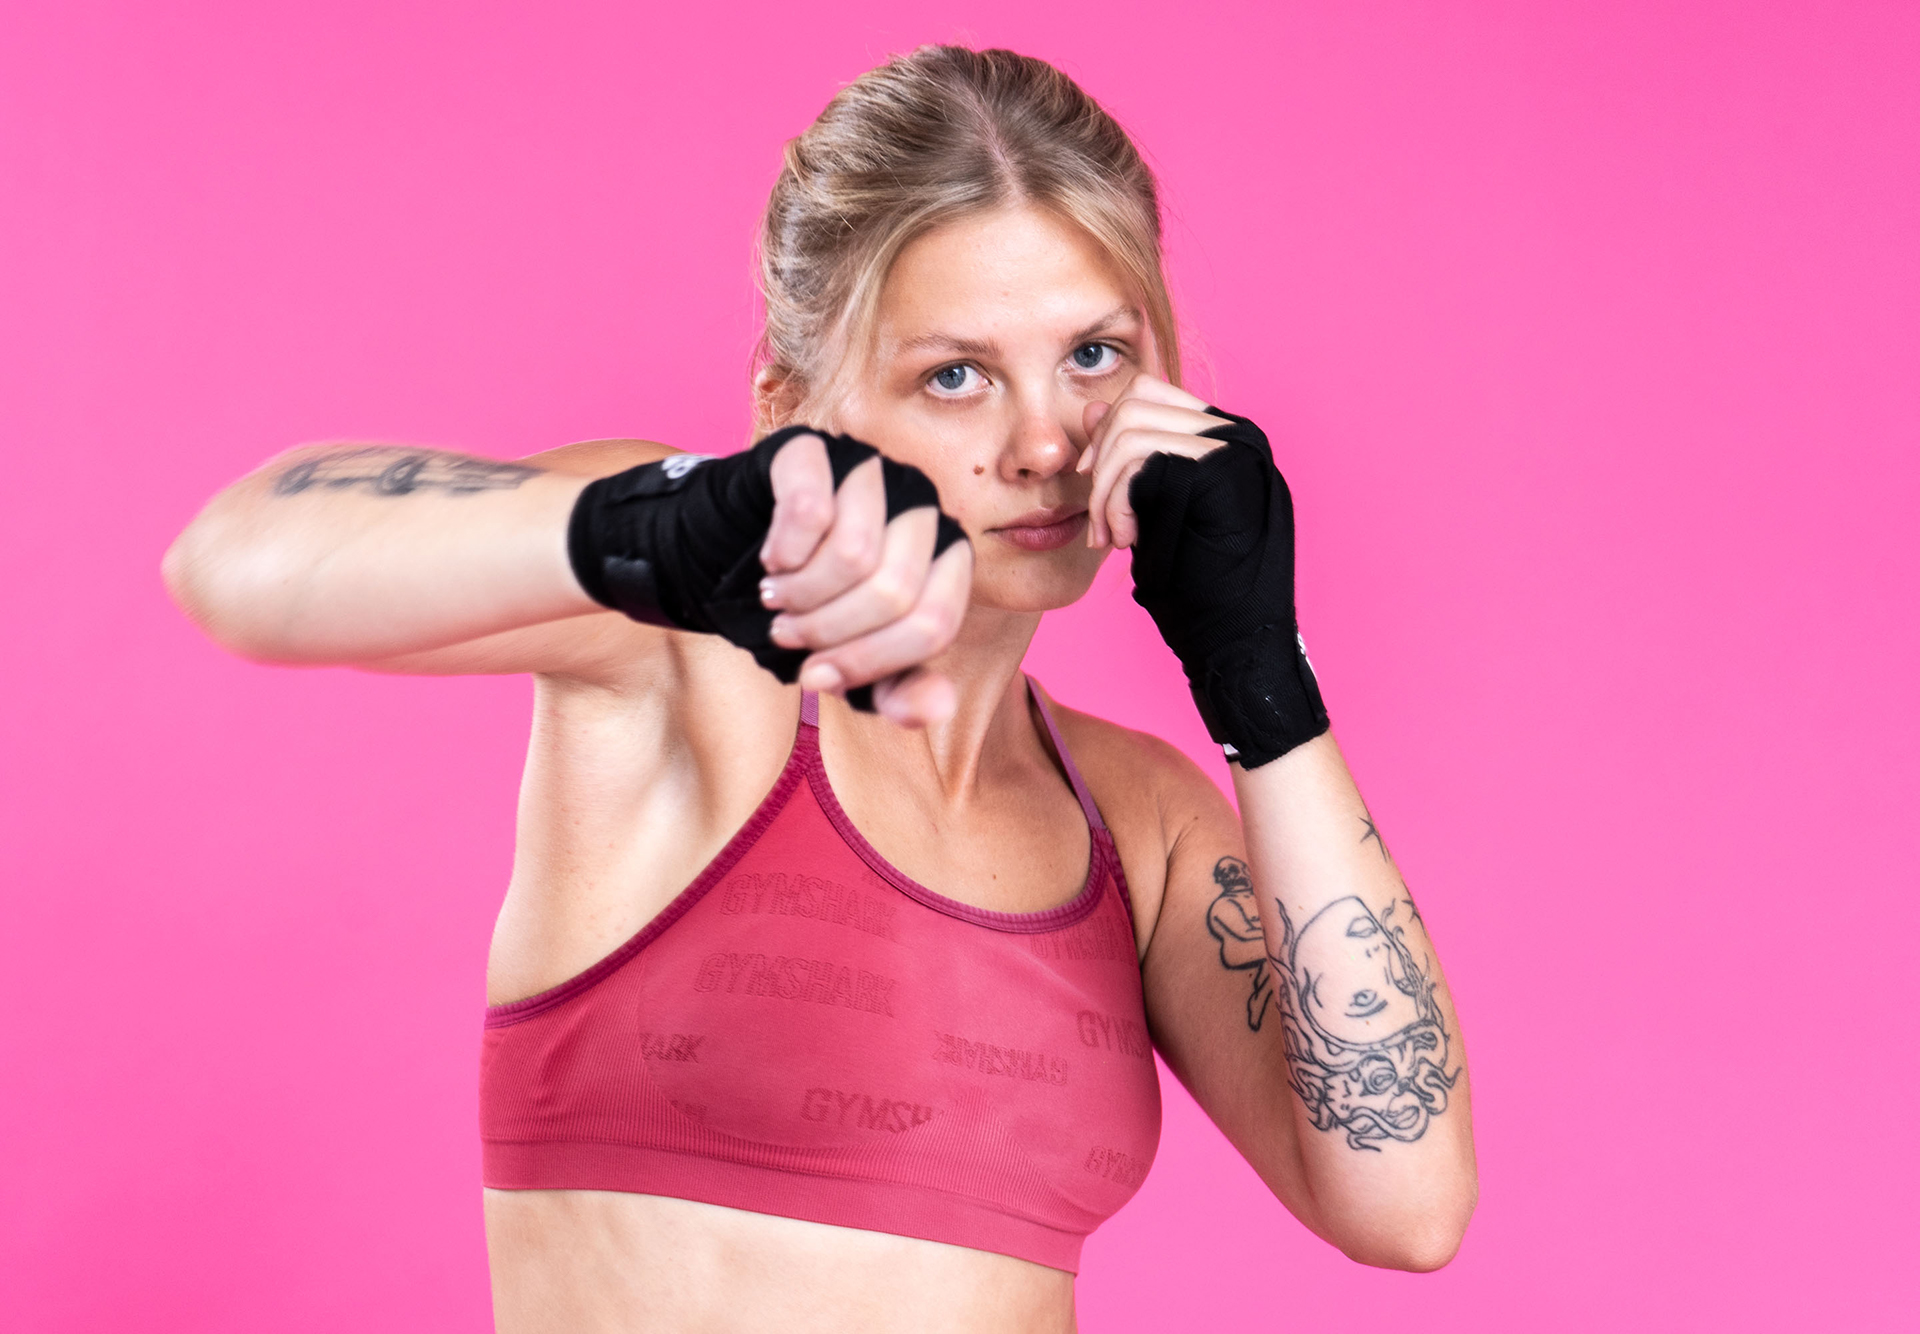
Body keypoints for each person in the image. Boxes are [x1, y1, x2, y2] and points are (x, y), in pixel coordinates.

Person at [165, 45, 1477, 1334]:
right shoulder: (691, 668)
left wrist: (1261, 676)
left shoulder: (1135, 817)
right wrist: (648, 530)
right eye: (955, 375)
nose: (1043, 442)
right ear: (794, 405)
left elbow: (1406, 1205)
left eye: (1093, 355)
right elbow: (236, 560)